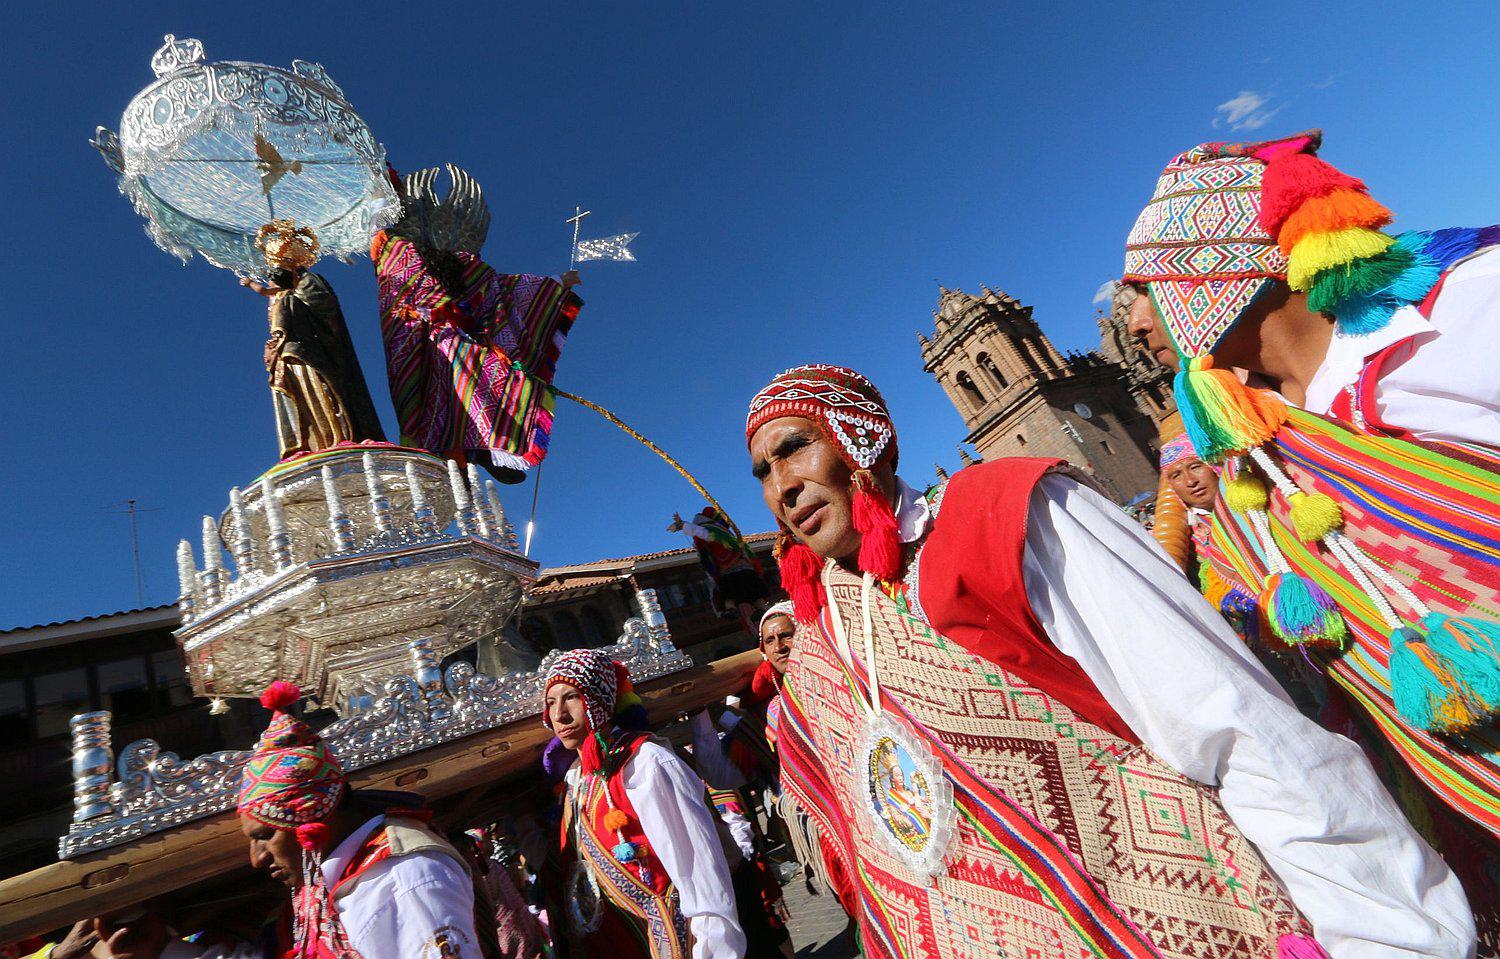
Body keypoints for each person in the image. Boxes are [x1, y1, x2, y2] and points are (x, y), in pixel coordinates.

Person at [745, 363, 1475, 959]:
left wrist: (1389, 936)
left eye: (794, 447)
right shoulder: (822, 646)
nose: (781, 487)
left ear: (861, 437)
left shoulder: (1008, 517)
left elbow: (1232, 724)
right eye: (762, 473)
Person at [1121, 131, 1500, 845]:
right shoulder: (1256, 462)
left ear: (1218, 268)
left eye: (1145, 292)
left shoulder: (1463, 318)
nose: (1137, 325)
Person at [373, 165, 582, 483]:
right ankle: (458, 457)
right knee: (430, 397)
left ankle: (480, 448)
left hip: (446, 331)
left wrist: (555, 283)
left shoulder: (430, 251)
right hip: (414, 340)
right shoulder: (391, 249)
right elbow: (403, 290)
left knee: (473, 373)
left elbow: (483, 284)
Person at [544, 649, 745, 959]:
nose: (559, 715)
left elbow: (701, 873)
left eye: (571, 697)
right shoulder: (578, 781)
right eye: (550, 703)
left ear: (598, 700)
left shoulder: (647, 764)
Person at [243, 220, 388, 459]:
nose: (271, 279)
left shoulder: (309, 282)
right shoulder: (281, 294)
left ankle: (337, 438)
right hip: (290, 354)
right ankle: (311, 443)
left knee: (324, 391)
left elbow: (324, 309)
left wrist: (286, 304)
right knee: (298, 397)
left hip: (313, 352)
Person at [668, 507, 770, 634]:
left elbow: (699, 532)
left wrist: (682, 525)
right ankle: (762, 609)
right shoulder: (722, 532)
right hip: (747, 570)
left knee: (732, 596)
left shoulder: (714, 531)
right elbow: (699, 531)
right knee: (755, 594)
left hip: (728, 573)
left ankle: (731, 609)